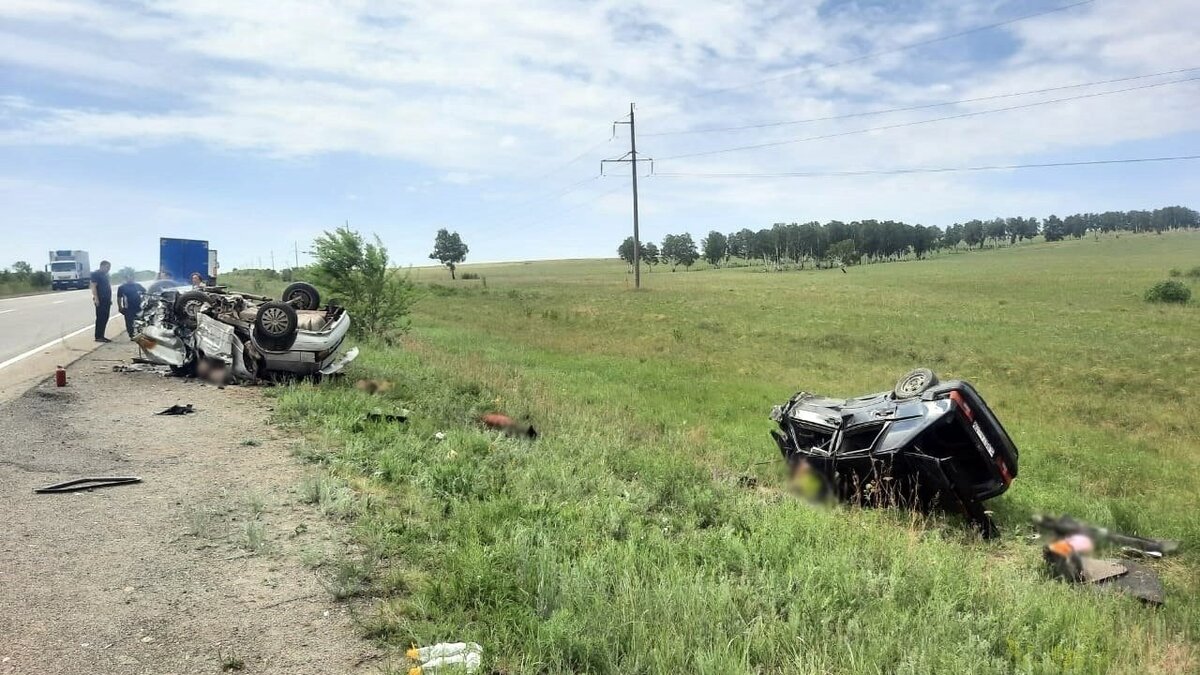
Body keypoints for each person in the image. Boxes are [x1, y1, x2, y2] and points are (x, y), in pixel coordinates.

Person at [116, 274, 145, 340]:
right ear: (126, 279)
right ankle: (131, 335)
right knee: (129, 322)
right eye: (128, 278)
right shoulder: (122, 287)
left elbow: (145, 293)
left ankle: (140, 333)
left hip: (139, 307)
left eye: (132, 278)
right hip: (128, 308)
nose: (130, 279)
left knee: (140, 321)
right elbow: (119, 298)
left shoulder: (138, 286)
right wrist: (120, 307)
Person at [90, 260, 112, 343]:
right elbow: (93, 286)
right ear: (102, 266)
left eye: (109, 268)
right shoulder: (96, 274)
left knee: (105, 317)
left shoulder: (105, 275)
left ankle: (102, 335)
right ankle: (98, 336)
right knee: (101, 318)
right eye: (107, 267)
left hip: (106, 299)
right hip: (100, 299)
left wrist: (109, 299)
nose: (108, 269)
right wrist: (96, 298)